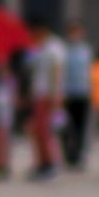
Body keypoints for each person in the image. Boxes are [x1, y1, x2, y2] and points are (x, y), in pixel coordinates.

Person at [22, 14, 64, 182]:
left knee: (44, 131)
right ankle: (41, 163)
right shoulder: (41, 47)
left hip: (48, 95)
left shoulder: (54, 47)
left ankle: (50, 164)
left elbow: (57, 71)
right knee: (37, 131)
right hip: (39, 94)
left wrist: (55, 95)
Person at [60, 19, 94, 171]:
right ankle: (68, 155)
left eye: (77, 32)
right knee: (66, 128)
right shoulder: (63, 51)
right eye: (72, 32)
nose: (75, 35)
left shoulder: (86, 51)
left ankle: (79, 156)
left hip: (82, 94)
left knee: (81, 128)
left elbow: (89, 73)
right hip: (67, 94)